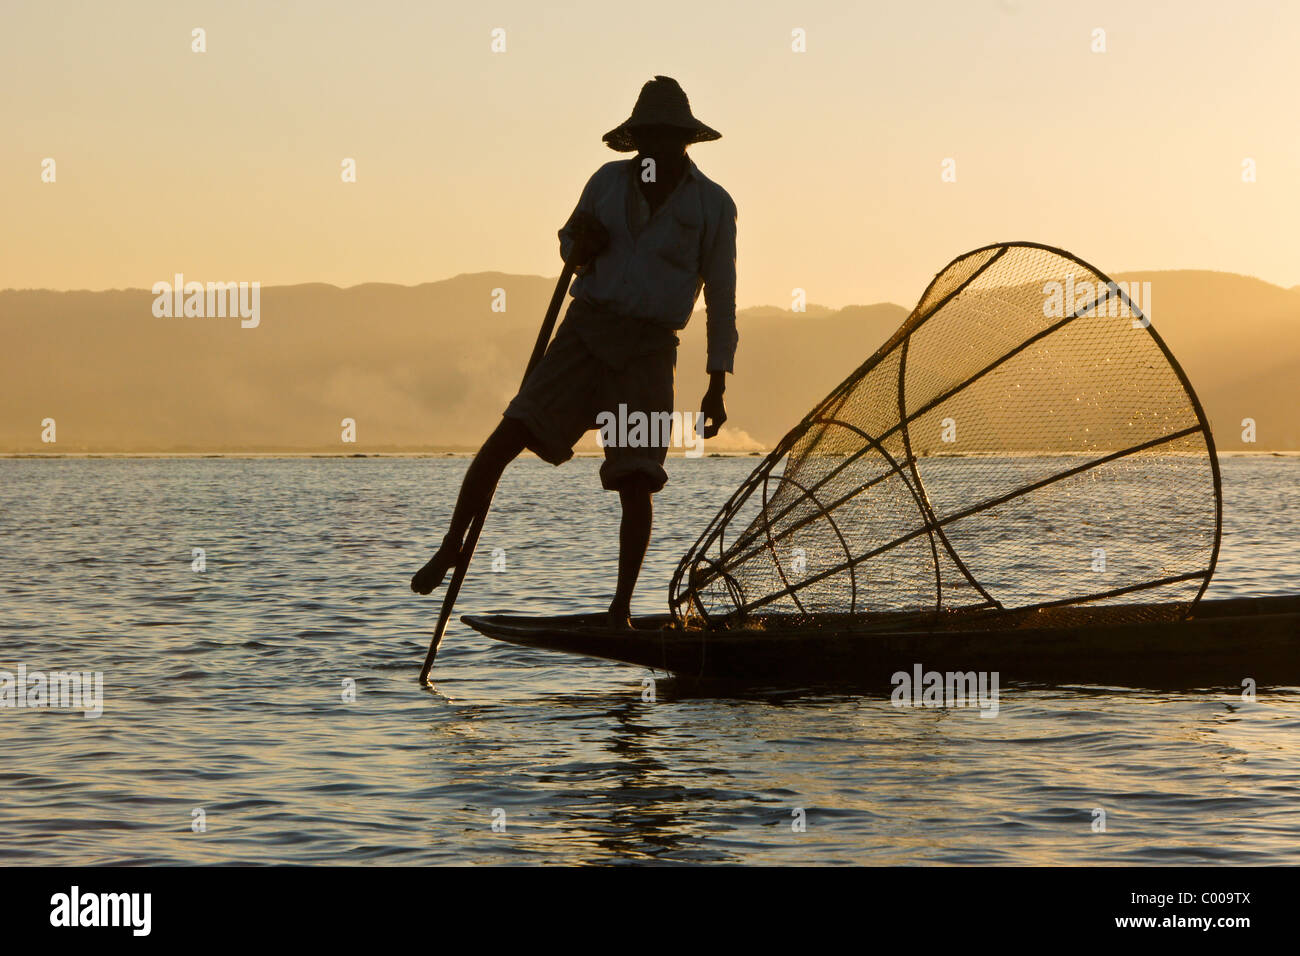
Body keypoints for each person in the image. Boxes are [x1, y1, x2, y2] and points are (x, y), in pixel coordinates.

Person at [412, 75, 738, 628]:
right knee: (507, 436)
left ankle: (619, 610)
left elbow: (723, 299)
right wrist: (578, 245)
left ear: (684, 139)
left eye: (666, 136)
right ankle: (451, 545)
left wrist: (717, 381)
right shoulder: (606, 184)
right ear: (636, 139)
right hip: (584, 333)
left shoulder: (712, 205)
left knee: (637, 481)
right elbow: (570, 244)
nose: (656, 147)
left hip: (648, 352)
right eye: (648, 136)